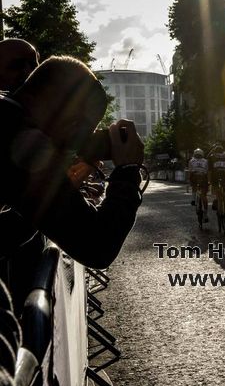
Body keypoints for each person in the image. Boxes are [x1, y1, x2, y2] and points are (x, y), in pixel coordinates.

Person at [0, 55, 144, 269]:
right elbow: (97, 247)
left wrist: (59, 190)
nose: (75, 142)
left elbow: (5, 237)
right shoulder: (25, 142)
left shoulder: (8, 118)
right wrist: (128, 171)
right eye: (81, 126)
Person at [208, 144, 225, 225]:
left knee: (215, 188)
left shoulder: (212, 156)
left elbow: (210, 171)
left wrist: (209, 181)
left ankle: (216, 199)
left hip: (216, 174)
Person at [188, 149, 209, 222]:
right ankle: (205, 214)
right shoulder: (206, 161)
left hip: (195, 176)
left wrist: (189, 181)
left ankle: (193, 199)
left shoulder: (191, 161)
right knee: (204, 195)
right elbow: (207, 171)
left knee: (194, 185)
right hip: (203, 177)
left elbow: (190, 172)